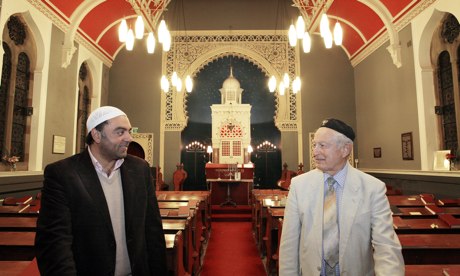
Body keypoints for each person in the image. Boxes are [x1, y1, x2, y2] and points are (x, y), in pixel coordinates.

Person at [35, 106, 167, 275]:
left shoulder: (140, 169)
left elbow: (152, 231)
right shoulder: (63, 174)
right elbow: (55, 243)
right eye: (120, 132)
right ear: (96, 135)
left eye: (128, 131)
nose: (129, 138)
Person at [279, 118, 404, 276]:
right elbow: (289, 245)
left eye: (322, 145)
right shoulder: (299, 186)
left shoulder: (373, 189)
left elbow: (386, 247)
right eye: (314, 145)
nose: (315, 152)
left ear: (345, 149)